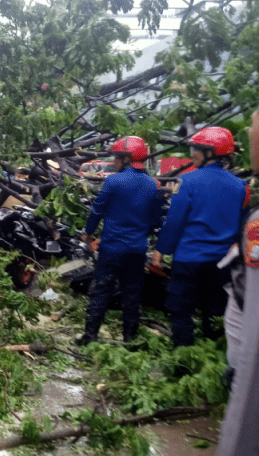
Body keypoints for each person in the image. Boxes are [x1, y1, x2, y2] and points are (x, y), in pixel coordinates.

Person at [152, 127, 250, 347]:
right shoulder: (242, 187)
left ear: (209, 153)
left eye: (197, 149)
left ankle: (183, 364)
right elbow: (242, 226)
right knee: (215, 313)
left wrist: (161, 250)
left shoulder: (187, 182)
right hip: (223, 263)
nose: (193, 154)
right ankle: (212, 357)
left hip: (189, 259)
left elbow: (175, 221)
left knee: (180, 311)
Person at [76, 136, 163, 345]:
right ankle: (130, 338)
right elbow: (155, 220)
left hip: (112, 248)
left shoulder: (113, 181)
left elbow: (98, 210)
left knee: (101, 290)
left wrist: (87, 233)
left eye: (117, 158)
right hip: (137, 250)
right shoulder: (153, 185)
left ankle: (90, 336)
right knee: (132, 294)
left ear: (126, 158)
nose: (114, 162)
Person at [216, 108, 259, 456]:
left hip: (195, 258)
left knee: (181, 308)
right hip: (223, 255)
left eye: (254, 128)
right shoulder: (241, 187)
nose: (249, 132)